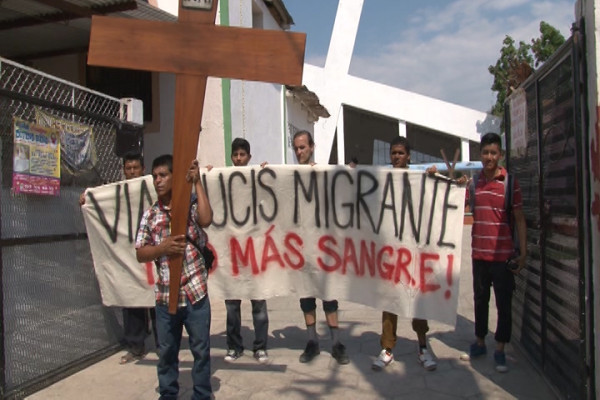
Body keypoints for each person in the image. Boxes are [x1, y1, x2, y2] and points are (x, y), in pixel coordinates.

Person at [431, 132, 527, 373]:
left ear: (500, 155)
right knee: (480, 301)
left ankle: (501, 349)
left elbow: (519, 219)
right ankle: (481, 342)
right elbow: (451, 196)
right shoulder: (474, 184)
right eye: (485, 153)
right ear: (480, 155)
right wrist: (435, 178)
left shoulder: (510, 183)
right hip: (479, 256)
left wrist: (523, 252)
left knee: (503, 304)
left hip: (503, 257)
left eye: (493, 153)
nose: (489, 157)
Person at [135, 155, 213, 400]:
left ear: (173, 177)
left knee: (200, 350)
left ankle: (201, 394)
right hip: (166, 297)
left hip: (195, 293)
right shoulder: (150, 215)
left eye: (163, 175)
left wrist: (197, 183)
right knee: (167, 351)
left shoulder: (189, 205)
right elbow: (140, 253)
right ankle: (168, 393)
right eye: (154, 176)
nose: (157, 181)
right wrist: (163, 248)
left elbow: (206, 218)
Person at [80, 152, 158, 364]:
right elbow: (98, 202)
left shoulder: (154, 186)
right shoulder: (117, 192)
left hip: (152, 254)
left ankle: (164, 345)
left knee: (157, 300)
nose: (132, 172)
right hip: (128, 256)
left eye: (135, 168)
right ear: (124, 170)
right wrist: (88, 200)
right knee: (131, 298)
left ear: (143, 170)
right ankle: (136, 346)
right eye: (128, 168)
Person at [371, 137, 437, 372]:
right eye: (393, 153)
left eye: (400, 153)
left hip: (414, 253)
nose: (396, 157)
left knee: (417, 301)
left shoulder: (419, 181)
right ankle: (387, 349)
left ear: (409, 156)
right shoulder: (384, 181)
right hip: (391, 253)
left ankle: (422, 347)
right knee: (390, 302)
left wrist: (434, 177)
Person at [292, 130, 349, 365]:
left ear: (312, 147)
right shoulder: (289, 176)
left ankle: (336, 343)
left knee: (329, 297)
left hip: (324, 250)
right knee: (306, 297)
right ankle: (312, 341)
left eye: (303, 147)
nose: (299, 152)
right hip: (301, 250)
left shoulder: (324, 175)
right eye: (296, 148)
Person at [220, 138, 270, 364]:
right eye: (235, 155)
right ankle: (234, 346)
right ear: (231, 157)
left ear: (249, 156)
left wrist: (269, 175)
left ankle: (260, 346)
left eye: (242, 155)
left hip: (255, 252)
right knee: (232, 303)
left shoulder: (258, 179)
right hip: (232, 253)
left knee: (258, 301)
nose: (239, 159)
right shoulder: (222, 181)